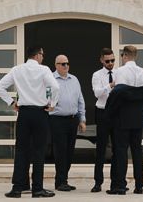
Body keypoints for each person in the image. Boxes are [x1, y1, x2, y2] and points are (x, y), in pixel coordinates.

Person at [0, 44, 60, 199]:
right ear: (37, 55)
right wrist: (52, 104)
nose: (43, 57)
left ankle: (17, 189)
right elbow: (56, 87)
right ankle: (37, 189)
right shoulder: (44, 69)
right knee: (39, 151)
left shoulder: (17, 69)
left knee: (21, 151)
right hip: (40, 113)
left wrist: (12, 103)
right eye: (42, 55)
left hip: (24, 114)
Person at [105, 45, 143, 195]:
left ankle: (120, 186)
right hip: (138, 116)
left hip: (123, 117)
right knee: (137, 151)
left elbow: (118, 95)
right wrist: (139, 105)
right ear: (136, 56)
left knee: (121, 151)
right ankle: (139, 186)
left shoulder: (120, 71)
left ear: (124, 56)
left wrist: (111, 112)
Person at [48, 54, 86, 192]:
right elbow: (45, 97)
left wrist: (82, 119)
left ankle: (64, 179)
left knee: (69, 151)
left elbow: (80, 99)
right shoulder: (50, 79)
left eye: (67, 63)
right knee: (60, 151)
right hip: (57, 119)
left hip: (72, 119)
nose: (66, 66)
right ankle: (60, 181)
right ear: (56, 65)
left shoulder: (74, 79)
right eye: (62, 64)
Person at [90, 48, 117, 193]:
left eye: (113, 60)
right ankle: (97, 182)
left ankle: (116, 182)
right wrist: (110, 86)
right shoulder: (97, 75)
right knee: (101, 148)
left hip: (117, 113)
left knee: (117, 148)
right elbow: (97, 93)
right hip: (102, 112)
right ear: (101, 60)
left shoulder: (119, 73)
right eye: (107, 61)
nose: (111, 63)